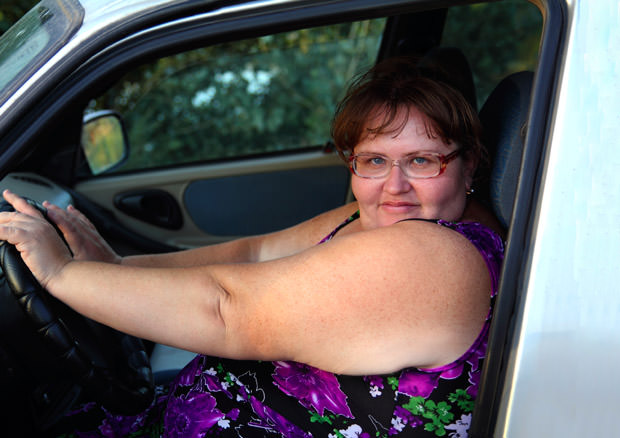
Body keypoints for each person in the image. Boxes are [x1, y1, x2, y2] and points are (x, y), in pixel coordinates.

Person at [0, 57, 504, 437]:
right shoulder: (383, 219)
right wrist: (113, 268)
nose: (393, 185)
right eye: (373, 161)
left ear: (469, 163)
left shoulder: (433, 257)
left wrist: (63, 275)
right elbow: (253, 254)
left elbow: (228, 309)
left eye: (421, 161)